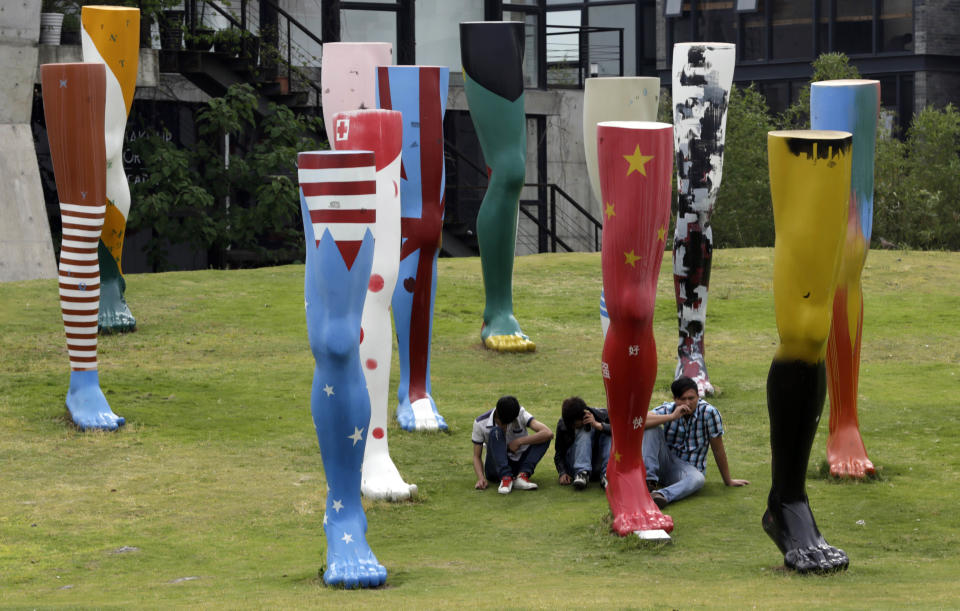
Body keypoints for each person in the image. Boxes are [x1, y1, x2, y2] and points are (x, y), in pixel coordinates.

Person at [643, 376, 749, 508]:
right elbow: (640, 420)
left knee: (698, 479)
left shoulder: (709, 413)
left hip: (688, 470)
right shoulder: (669, 410)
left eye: (691, 398)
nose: (687, 403)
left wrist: (728, 480)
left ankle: (661, 496)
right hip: (666, 461)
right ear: (675, 399)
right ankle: (649, 483)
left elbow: (718, 449)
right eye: (683, 399)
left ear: (698, 397)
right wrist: (671, 417)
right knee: (651, 428)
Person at [472, 396, 553, 494]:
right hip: (495, 469)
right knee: (496, 432)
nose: (506, 427)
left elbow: (548, 433)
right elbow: (476, 456)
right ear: (496, 414)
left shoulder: (520, 413)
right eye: (503, 423)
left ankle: (522, 476)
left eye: (509, 423)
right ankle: (506, 478)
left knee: (544, 438)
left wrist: (519, 441)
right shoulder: (480, 423)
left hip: (518, 462)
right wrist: (481, 478)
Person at [554, 397, 612, 490]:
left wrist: (598, 425)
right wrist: (562, 472)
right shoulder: (563, 424)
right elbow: (559, 453)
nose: (574, 426)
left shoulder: (602, 415)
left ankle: (608, 475)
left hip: (598, 462)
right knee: (585, 430)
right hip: (573, 464)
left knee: (607, 432)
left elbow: (620, 431)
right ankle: (582, 473)